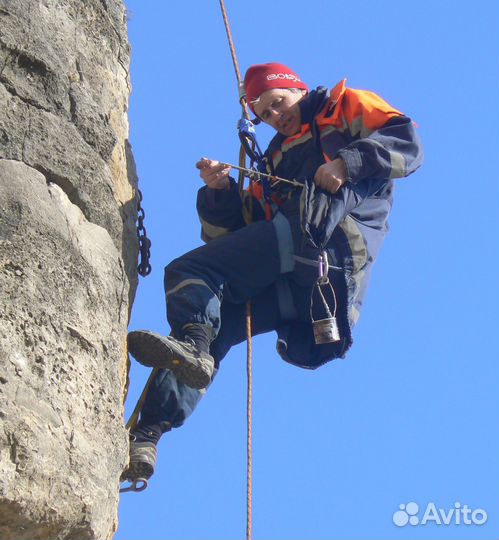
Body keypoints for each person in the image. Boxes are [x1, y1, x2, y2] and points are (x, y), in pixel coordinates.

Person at [121, 63, 423, 486]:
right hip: (305, 288)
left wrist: (345, 163)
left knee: (190, 271)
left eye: (278, 103)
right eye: (264, 114)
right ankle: (148, 434)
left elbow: (407, 141)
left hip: (326, 241)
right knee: (219, 323)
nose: (275, 116)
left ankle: (192, 344)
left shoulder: (343, 107)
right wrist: (219, 194)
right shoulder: (274, 162)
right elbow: (236, 239)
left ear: (297, 88)